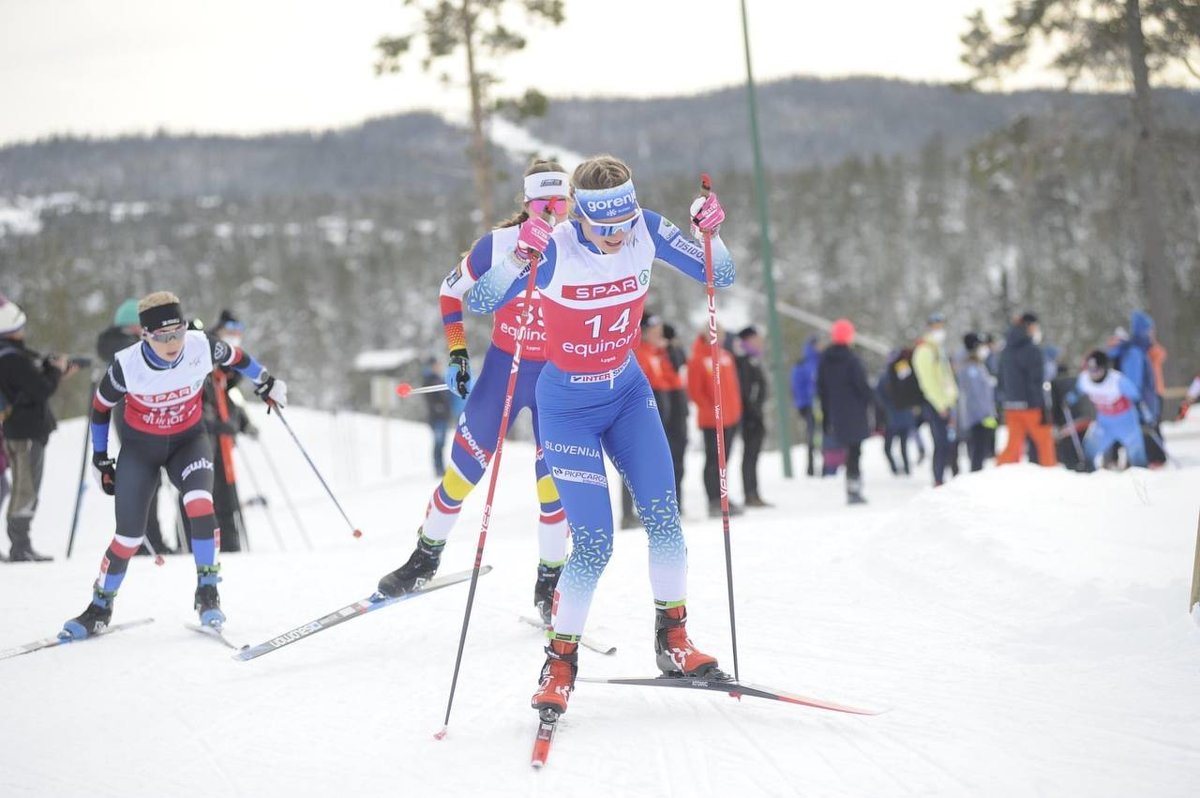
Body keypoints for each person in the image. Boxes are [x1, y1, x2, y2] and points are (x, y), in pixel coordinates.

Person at [463, 154, 734, 715]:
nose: (616, 236)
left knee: (665, 517)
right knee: (595, 542)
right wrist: (518, 254)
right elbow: (482, 301)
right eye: (603, 226)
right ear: (579, 216)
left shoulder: (645, 229)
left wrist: (711, 235)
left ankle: (674, 641)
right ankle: (559, 664)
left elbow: (720, 274)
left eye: (624, 222)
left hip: (628, 395)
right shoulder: (556, 244)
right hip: (566, 409)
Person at [375, 160, 574, 627]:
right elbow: (450, 291)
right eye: (542, 204)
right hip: (505, 368)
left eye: (561, 203)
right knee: (462, 472)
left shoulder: (579, 243)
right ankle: (424, 558)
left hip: (556, 376)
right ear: (526, 204)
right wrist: (459, 353)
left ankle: (550, 582)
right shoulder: (499, 245)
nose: (552, 212)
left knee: (553, 485)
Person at [60, 291, 287, 638]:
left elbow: (239, 358)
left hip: (187, 442)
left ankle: (207, 592)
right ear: (145, 335)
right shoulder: (126, 364)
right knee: (128, 536)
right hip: (141, 451)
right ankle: (99, 607)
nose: (173, 342)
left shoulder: (201, 345)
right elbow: (101, 408)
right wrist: (101, 456)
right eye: (162, 336)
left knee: (200, 503)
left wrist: (266, 381)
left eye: (177, 332)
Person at [0, 296, 81, 561]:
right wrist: (55, 372)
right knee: (27, 488)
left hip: (18, 431)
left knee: (24, 487)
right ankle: (20, 546)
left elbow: (30, 385)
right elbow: (40, 389)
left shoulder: (11, 356)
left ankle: (19, 544)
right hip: (26, 433)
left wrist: (50, 369)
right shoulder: (12, 358)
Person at [95, 298, 176, 556]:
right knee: (146, 474)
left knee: (150, 475)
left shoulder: (116, 343)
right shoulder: (124, 346)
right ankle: (145, 539)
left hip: (139, 412)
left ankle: (150, 538)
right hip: (133, 413)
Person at [179, 309, 257, 553]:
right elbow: (194, 405)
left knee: (225, 498)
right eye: (229, 332)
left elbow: (229, 398)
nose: (234, 337)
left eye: (238, 333)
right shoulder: (202, 357)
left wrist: (241, 424)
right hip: (200, 442)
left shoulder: (224, 366)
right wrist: (214, 425)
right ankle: (197, 548)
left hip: (221, 443)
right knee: (200, 497)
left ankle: (230, 545)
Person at [621, 314, 677, 528]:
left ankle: (647, 510)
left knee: (652, 463)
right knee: (633, 463)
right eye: (654, 329)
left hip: (659, 410)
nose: (658, 333)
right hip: (641, 411)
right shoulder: (639, 352)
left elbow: (672, 380)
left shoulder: (658, 353)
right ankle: (628, 514)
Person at [687, 321, 744, 517]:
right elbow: (695, 391)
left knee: (724, 460)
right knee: (714, 460)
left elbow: (732, 387)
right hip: (712, 421)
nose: (721, 337)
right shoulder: (698, 359)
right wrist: (711, 409)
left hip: (730, 417)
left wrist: (735, 410)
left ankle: (723, 497)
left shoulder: (726, 356)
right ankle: (713, 500)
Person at [816, 319, 871, 504]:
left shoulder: (825, 360)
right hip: (854, 411)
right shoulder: (852, 359)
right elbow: (862, 386)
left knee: (845, 449)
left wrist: (826, 413)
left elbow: (821, 388)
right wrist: (871, 402)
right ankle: (854, 488)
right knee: (855, 451)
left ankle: (849, 486)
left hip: (835, 412)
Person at [1068, 350, 1151, 469]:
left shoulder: (1117, 380)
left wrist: (1146, 417)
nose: (1093, 373)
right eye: (1090, 369)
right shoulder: (1084, 379)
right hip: (1104, 423)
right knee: (1089, 450)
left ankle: (1144, 478)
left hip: (1126, 423)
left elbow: (1137, 398)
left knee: (1137, 455)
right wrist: (1069, 399)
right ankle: (1088, 475)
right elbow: (1077, 391)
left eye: (1097, 370)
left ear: (1104, 368)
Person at [996, 312, 1058, 467]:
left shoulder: (1005, 351)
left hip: (1011, 405)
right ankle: (1051, 476)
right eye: (1036, 327)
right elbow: (1036, 381)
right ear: (1029, 327)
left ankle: (997, 476)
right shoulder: (1032, 350)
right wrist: (1043, 408)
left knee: (1013, 447)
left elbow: (1001, 379)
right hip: (1031, 407)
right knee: (1045, 443)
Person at [912, 312, 959, 486]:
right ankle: (938, 480)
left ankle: (952, 477)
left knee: (950, 443)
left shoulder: (938, 348)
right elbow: (928, 382)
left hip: (947, 402)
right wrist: (941, 404)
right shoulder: (924, 350)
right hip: (936, 405)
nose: (940, 330)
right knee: (941, 443)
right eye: (936, 326)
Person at [734, 326, 771, 508]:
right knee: (749, 455)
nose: (760, 342)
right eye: (756, 339)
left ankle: (754, 493)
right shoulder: (744, 361)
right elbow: (746, 390)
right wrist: (751, 412)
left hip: (755, 414)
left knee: (753, 455)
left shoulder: (754, 359)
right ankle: (750, 494)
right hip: (750, 416)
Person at [957, 332, 998, 472]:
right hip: (978, 417)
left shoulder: (978, 366)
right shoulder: (970, 368)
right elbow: (975, 394)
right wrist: (986, 414)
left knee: (982, 451)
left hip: (983, 414)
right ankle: (975, 476)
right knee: (977, 452)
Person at [661, 323, 690, 512]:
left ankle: (677, 502)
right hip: (667, 414)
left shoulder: (675, 353)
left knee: (678, 463)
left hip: (678, 411)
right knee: (666, 464)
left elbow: (681, 364)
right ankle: (667, 504)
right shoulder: (657, 355)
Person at [790, 337, 820, 476]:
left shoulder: (822, 361)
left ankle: (830, 464)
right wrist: (802, 404)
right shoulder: (803, 365)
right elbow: (797, 386)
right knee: (812, 435)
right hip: (809, 406)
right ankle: (811, 467)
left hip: (822, 404)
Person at [420, 356, 454, 477]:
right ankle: (438, 468)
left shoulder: (439, 379)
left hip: (443, 417)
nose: (439, 368)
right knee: (438, 443)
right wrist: (439, 409)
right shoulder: (430, 380)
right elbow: (432, 399)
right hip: (436, 418)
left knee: (442, 443)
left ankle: (441, 467)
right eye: (436, 365)